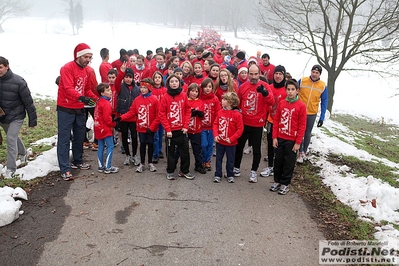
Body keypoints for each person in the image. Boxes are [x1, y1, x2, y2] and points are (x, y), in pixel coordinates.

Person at [56, 43, 98, 181]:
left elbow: (86, 89)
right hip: (65, 108)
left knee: (80, 135)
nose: (88, 60)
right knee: (64, 138)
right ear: (78, 56)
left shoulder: (87, 71)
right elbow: (68, 88)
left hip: (79, 107)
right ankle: (64, 168)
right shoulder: (67, 68)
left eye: (90, 57)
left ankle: (77, 161)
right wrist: (82, 98)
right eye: (86, 56)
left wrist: (96, 99)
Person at [234, 64, 274, 183]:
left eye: (256, 74)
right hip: (244, 122)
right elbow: (238, 103)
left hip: (258, 124)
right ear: (248, 74)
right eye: (251, 74)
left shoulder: (265, 86)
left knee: (256, 150)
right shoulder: (243, 86)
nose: (253, 76)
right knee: (239, 146)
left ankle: (253, 171)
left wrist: (265, 93)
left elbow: (271, 101)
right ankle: (236, 168)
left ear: (259, 73)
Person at [0, 56, 37, 178]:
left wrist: (32, 120)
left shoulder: (19, 82)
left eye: (0, 67)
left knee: (10, 138)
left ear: (7, 66)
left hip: (17, 115)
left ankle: (11, 169)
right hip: (2, 116)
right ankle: (23, 152)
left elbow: (28, 102)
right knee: (12, 137)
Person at [271, 79, 307, 194]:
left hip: (292, 140)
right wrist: (274, 137)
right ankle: (277, 181)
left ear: (297, 91)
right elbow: (276, 120)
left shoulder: (301, 106)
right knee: (278, 161)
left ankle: (285, 183)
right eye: (288, 89)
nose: (290, 92)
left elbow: (302, 126)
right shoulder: (282, 103)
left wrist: (298, 142)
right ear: (285, 90)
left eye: (293, 90)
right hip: (280, 137)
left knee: (288, 162)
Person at [117, 78, 159, 173]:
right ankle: (142, 163)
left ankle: (150, 163)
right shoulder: (137, 100)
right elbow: (132, 112)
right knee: (142, 145)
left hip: (151, 128)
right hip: (141, 128)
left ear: (149, 88)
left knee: (151, 144)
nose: (142, 89)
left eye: (145, 87)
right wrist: (121, 118)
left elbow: (158, 115)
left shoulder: (154, 100)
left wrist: (152, 127)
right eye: (141, 87)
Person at [158, 74, 194, 180]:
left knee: (185, 152)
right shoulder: (165, 97)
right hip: (170, 131)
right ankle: (170, 171)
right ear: (168, 83)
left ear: (179, 83)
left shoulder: (183, 95)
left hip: (182, 130)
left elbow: (188, 110)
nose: (174, 83)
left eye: (176, 81)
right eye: (172, 81)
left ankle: (184, 171)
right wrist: (167, 129)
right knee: (171, 153)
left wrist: (186, 125)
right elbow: (162, 114)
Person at [297, 64, 328, 163]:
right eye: (313, 72)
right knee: (298, 132)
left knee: (307, 133)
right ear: (310, 71)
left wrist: (322, 117)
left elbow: (324, 101)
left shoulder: (323, 86)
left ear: (320, 74)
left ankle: (303, 152)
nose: (314, 74)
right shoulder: (302, 81)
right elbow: (293, 91)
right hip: (300, 111)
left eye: (317, 73)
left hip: (312, 113)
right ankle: (298, 149)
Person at [260, 65, 287, 177]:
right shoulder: (269, 87)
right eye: (276, 73)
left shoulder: (287, 89)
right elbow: (265, 103)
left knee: (281, 146)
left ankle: (279, 167)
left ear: (284, 75)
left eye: (280, 74)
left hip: (283, 122)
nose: (278, 76)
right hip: (271, 120)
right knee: (271, 144)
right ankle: (270, 166)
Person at [213, 92, 244, 183]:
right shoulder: (220, 112)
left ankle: (230, 174)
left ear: (230, 102)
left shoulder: (237, 115)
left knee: (230, 159)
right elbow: (215, 124)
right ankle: (218, 174)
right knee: (218, 159)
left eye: (224, 100)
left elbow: (240, 129)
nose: (222, 101)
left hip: (231, 143)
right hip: (220, 141)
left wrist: (232, 138)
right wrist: (215, 135)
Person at [114, 62, 141, 166]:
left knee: (134, 137)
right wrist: (121, 72)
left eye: (130, 77)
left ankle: (134, 155)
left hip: (133, 117)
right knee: (124, 136)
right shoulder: (120, 87)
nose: (128, 79)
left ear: (133, 78)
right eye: (126, 77)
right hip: (123, 116)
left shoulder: (137, 89)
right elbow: (116, 81)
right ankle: (127, 155)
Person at [93, 83, 119, 174]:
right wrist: (114, 124)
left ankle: (101, 166)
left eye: (110, 90)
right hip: (105, 128)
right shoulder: (106, 104)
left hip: (97, 127)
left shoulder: (99, 101)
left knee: (100, 146)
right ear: (102, 93)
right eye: (108, 90)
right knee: (110, 146)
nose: (110, 92)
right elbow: (107, 118)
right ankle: (108, 166)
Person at [200, 78, 220, 171]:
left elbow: (218, 112)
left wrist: (217, 125)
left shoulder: (215, 99)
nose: (207, 89)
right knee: (204, 144)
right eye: (205, 87)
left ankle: (207, 160)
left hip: (212, 127)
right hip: (202, 127)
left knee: (210, 145)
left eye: (209, 87)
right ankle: (203, 159)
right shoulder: (199, 98)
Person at [186, 83, 206, 174]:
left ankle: (199, 165)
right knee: (182, 150)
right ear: (189, 91)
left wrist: (201, 114)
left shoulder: (200, 102)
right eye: (192, 91)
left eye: (196, 91)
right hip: (186, 129)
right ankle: (182, 165)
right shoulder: (185, 100)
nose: (194, 93)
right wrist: (191, 113)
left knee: (197, 150)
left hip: (196, 129)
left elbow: (203, 115)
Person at [151, 71, 167, 163]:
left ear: (162, 79)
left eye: (159, 77)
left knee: (161, 135)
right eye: (155, 77)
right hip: (154, 116)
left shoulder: (165, 90)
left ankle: (160, 150)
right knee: (156, 136)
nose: (157, 79)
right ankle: (155, 154)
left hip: (163, 116)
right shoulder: (151, 90)